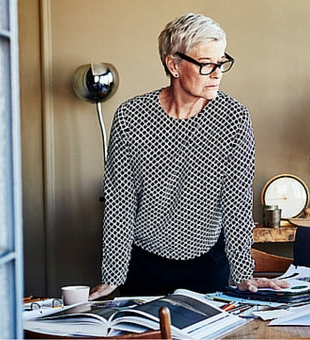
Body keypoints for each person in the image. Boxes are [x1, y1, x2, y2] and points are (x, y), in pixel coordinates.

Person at [89, 13, 288, 300]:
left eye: (221, 63)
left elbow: (237, 201)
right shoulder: (131, 117)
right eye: (207, 65)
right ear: (174, 65)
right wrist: (113, 277)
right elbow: (120, 201)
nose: (217, 73)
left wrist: (243, 273)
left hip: (209, 267)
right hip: (144, 267)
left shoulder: (233, 118)